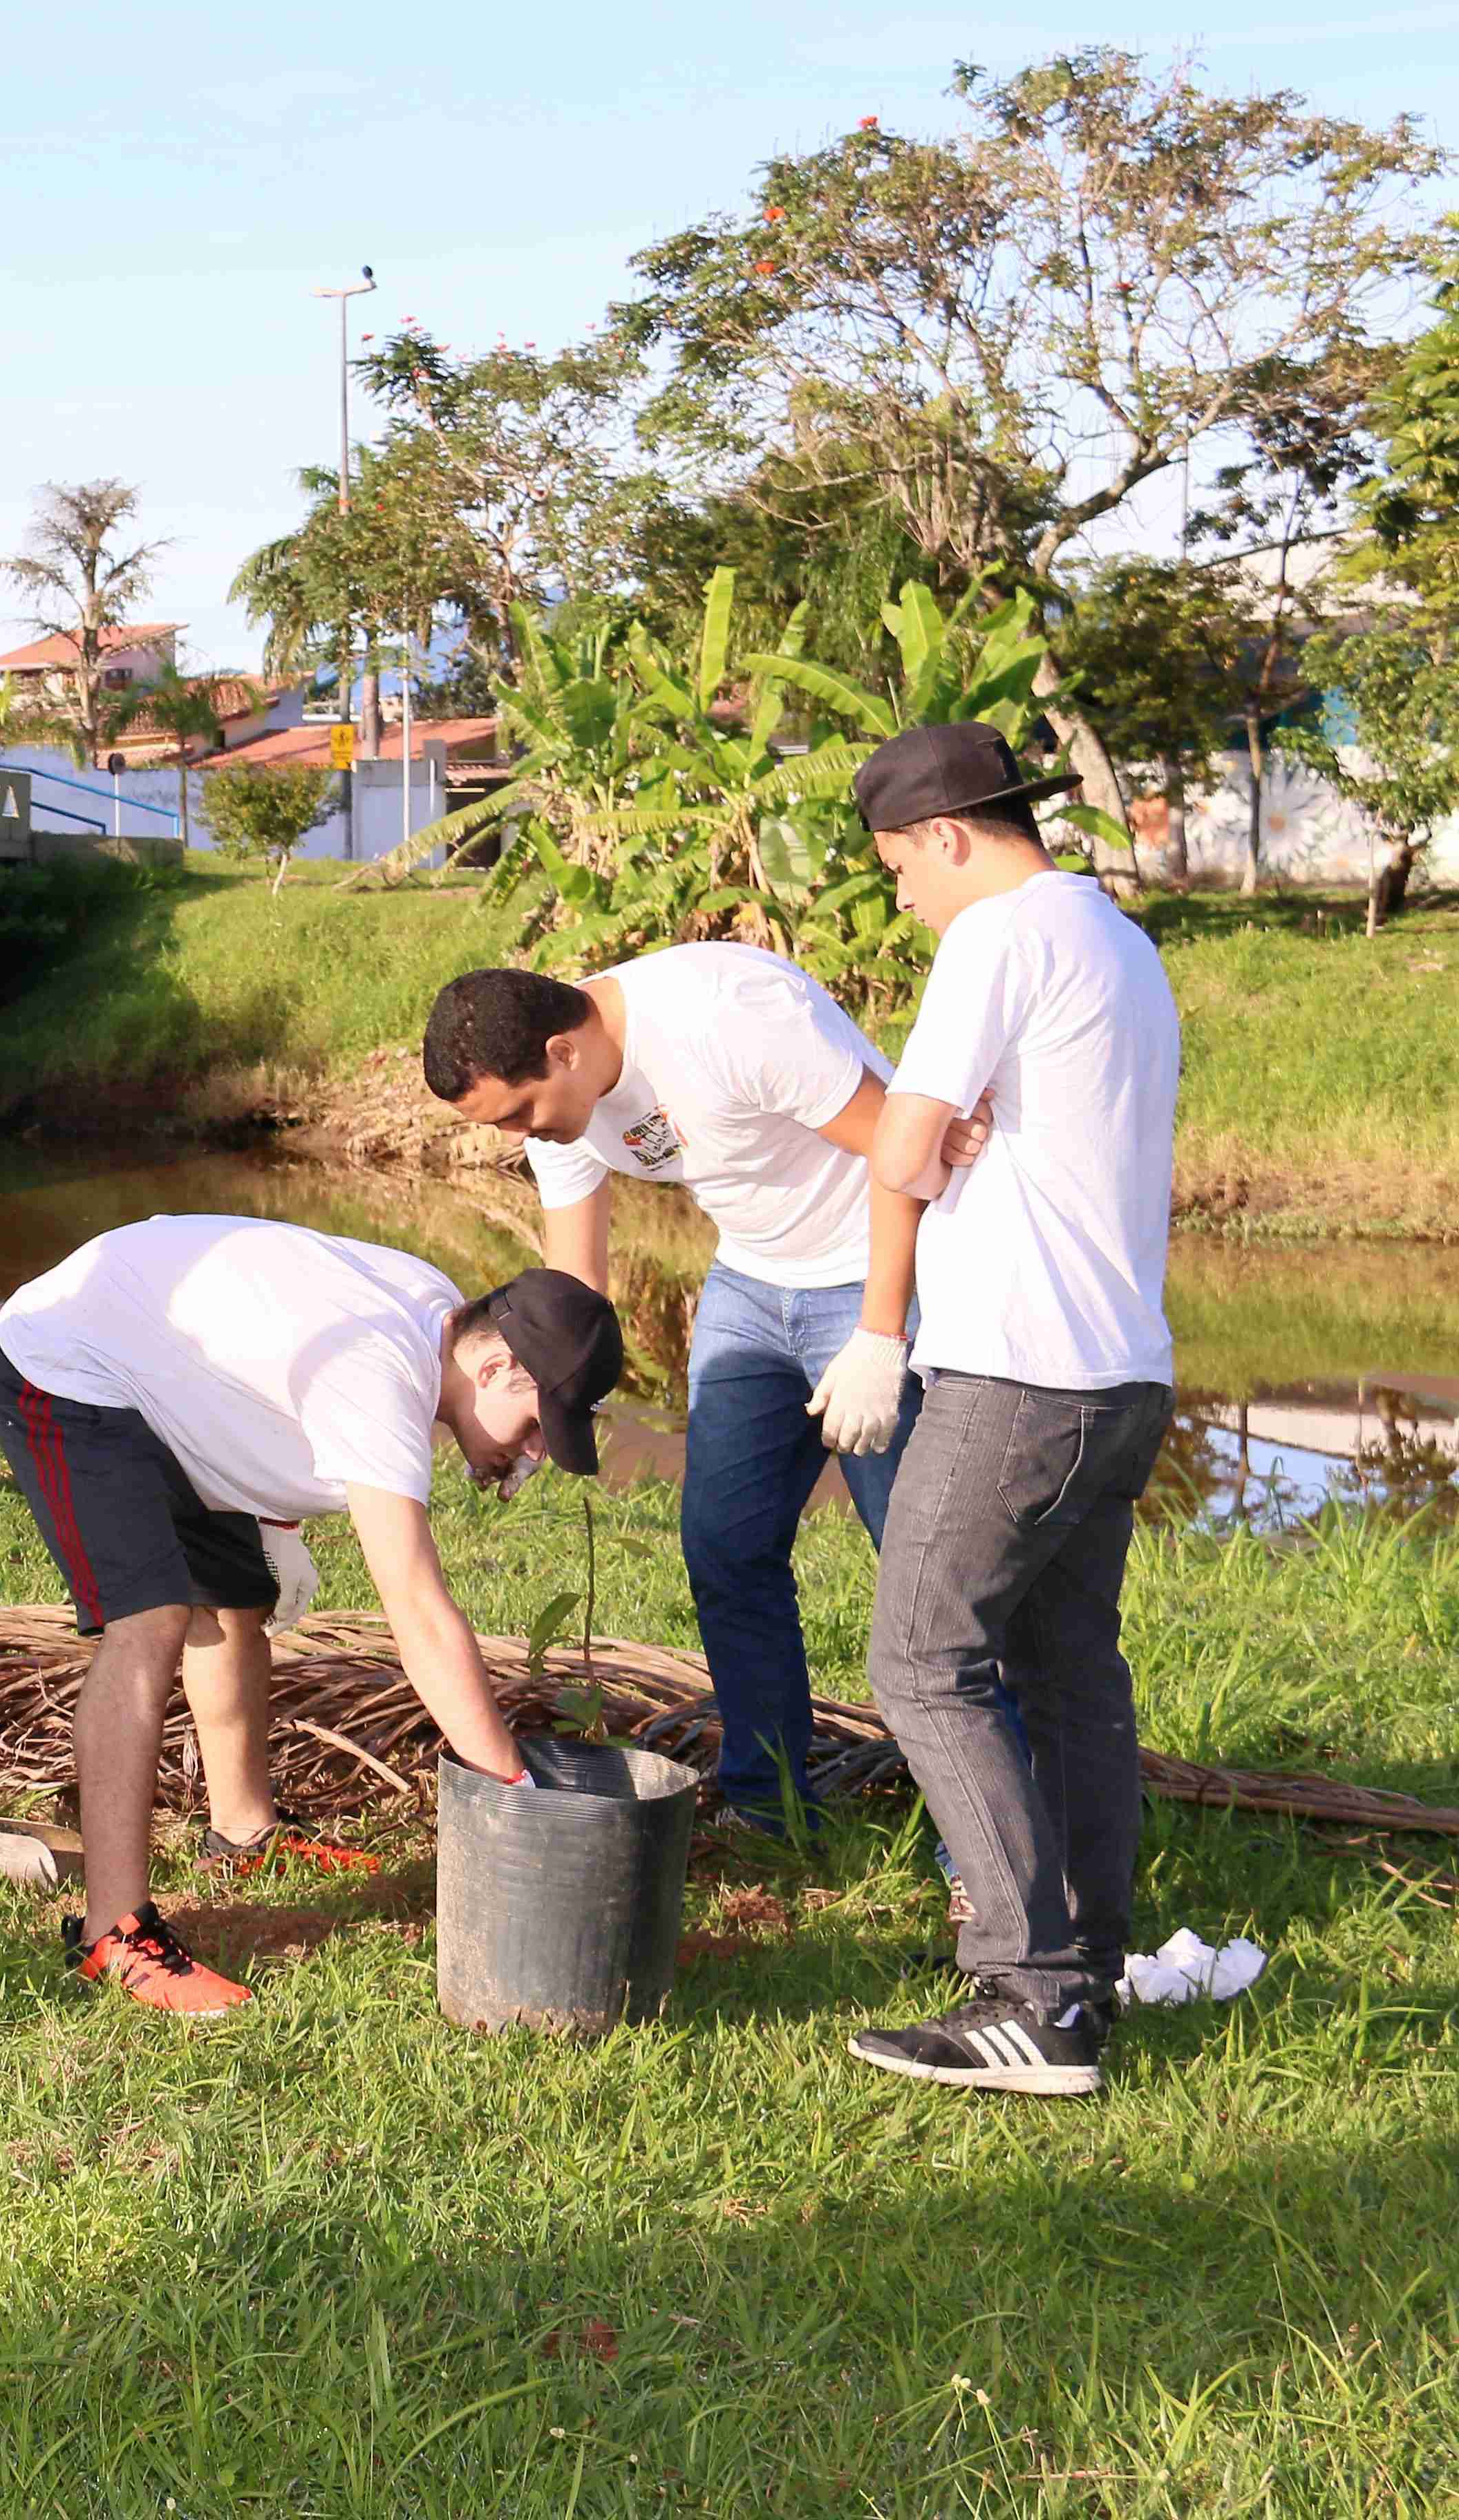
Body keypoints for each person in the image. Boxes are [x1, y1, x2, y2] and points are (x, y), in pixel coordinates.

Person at [0, 1215, 621, 2018]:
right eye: (535, 1429)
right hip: (67, 1368)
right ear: (496, 1365)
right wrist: (520, 1795)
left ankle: (243, 1836)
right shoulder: (381, 1374)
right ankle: (114, 1933)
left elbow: (271, 1346)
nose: (531, 1455)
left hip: (162, 1373)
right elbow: (418, 1612)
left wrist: (271, 1514)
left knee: (237, 1603)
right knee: (151, 1622)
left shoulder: (435, 1312)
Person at [420, 950, 995, 1840]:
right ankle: (771, 1812)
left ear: (564, 1051)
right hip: (752, 1286)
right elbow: (572, 1309)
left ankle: (993, 1853)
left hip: (880, 1271)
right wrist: (534, 1416)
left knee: (926, 1572)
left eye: (523, 1112)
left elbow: (910, 1157)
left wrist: (882, 1336)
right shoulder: (562, 1118)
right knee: (726, 1551)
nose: (522, 1136)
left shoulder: (727, 1015)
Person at [831, 724, 1178, 2101]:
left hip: (1015, 1376)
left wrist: (874, 1326)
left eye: (899, 867)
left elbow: (904, 1145)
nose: (903, 896)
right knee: (1069, 1674)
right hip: (1122, 1375)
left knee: (920, 1662)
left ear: (951, 836)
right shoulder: (1119, 942)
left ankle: (1028, 1998)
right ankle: (1086, 1966)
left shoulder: (997, 938)